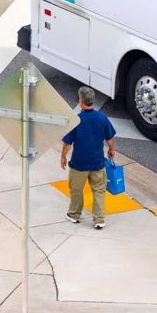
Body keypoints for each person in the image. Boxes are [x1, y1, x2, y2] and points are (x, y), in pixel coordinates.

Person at [61, 86, 118, 230]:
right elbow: (110, 137)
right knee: (98, 190)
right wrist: (112, 150)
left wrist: (63, 157)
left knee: (76, 190)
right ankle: (99, 219)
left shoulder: (76, 120)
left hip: (78, 164)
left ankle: (74, 215)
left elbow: (68, 143)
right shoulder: (102, 118)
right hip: (97, 163)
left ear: (81, 101)